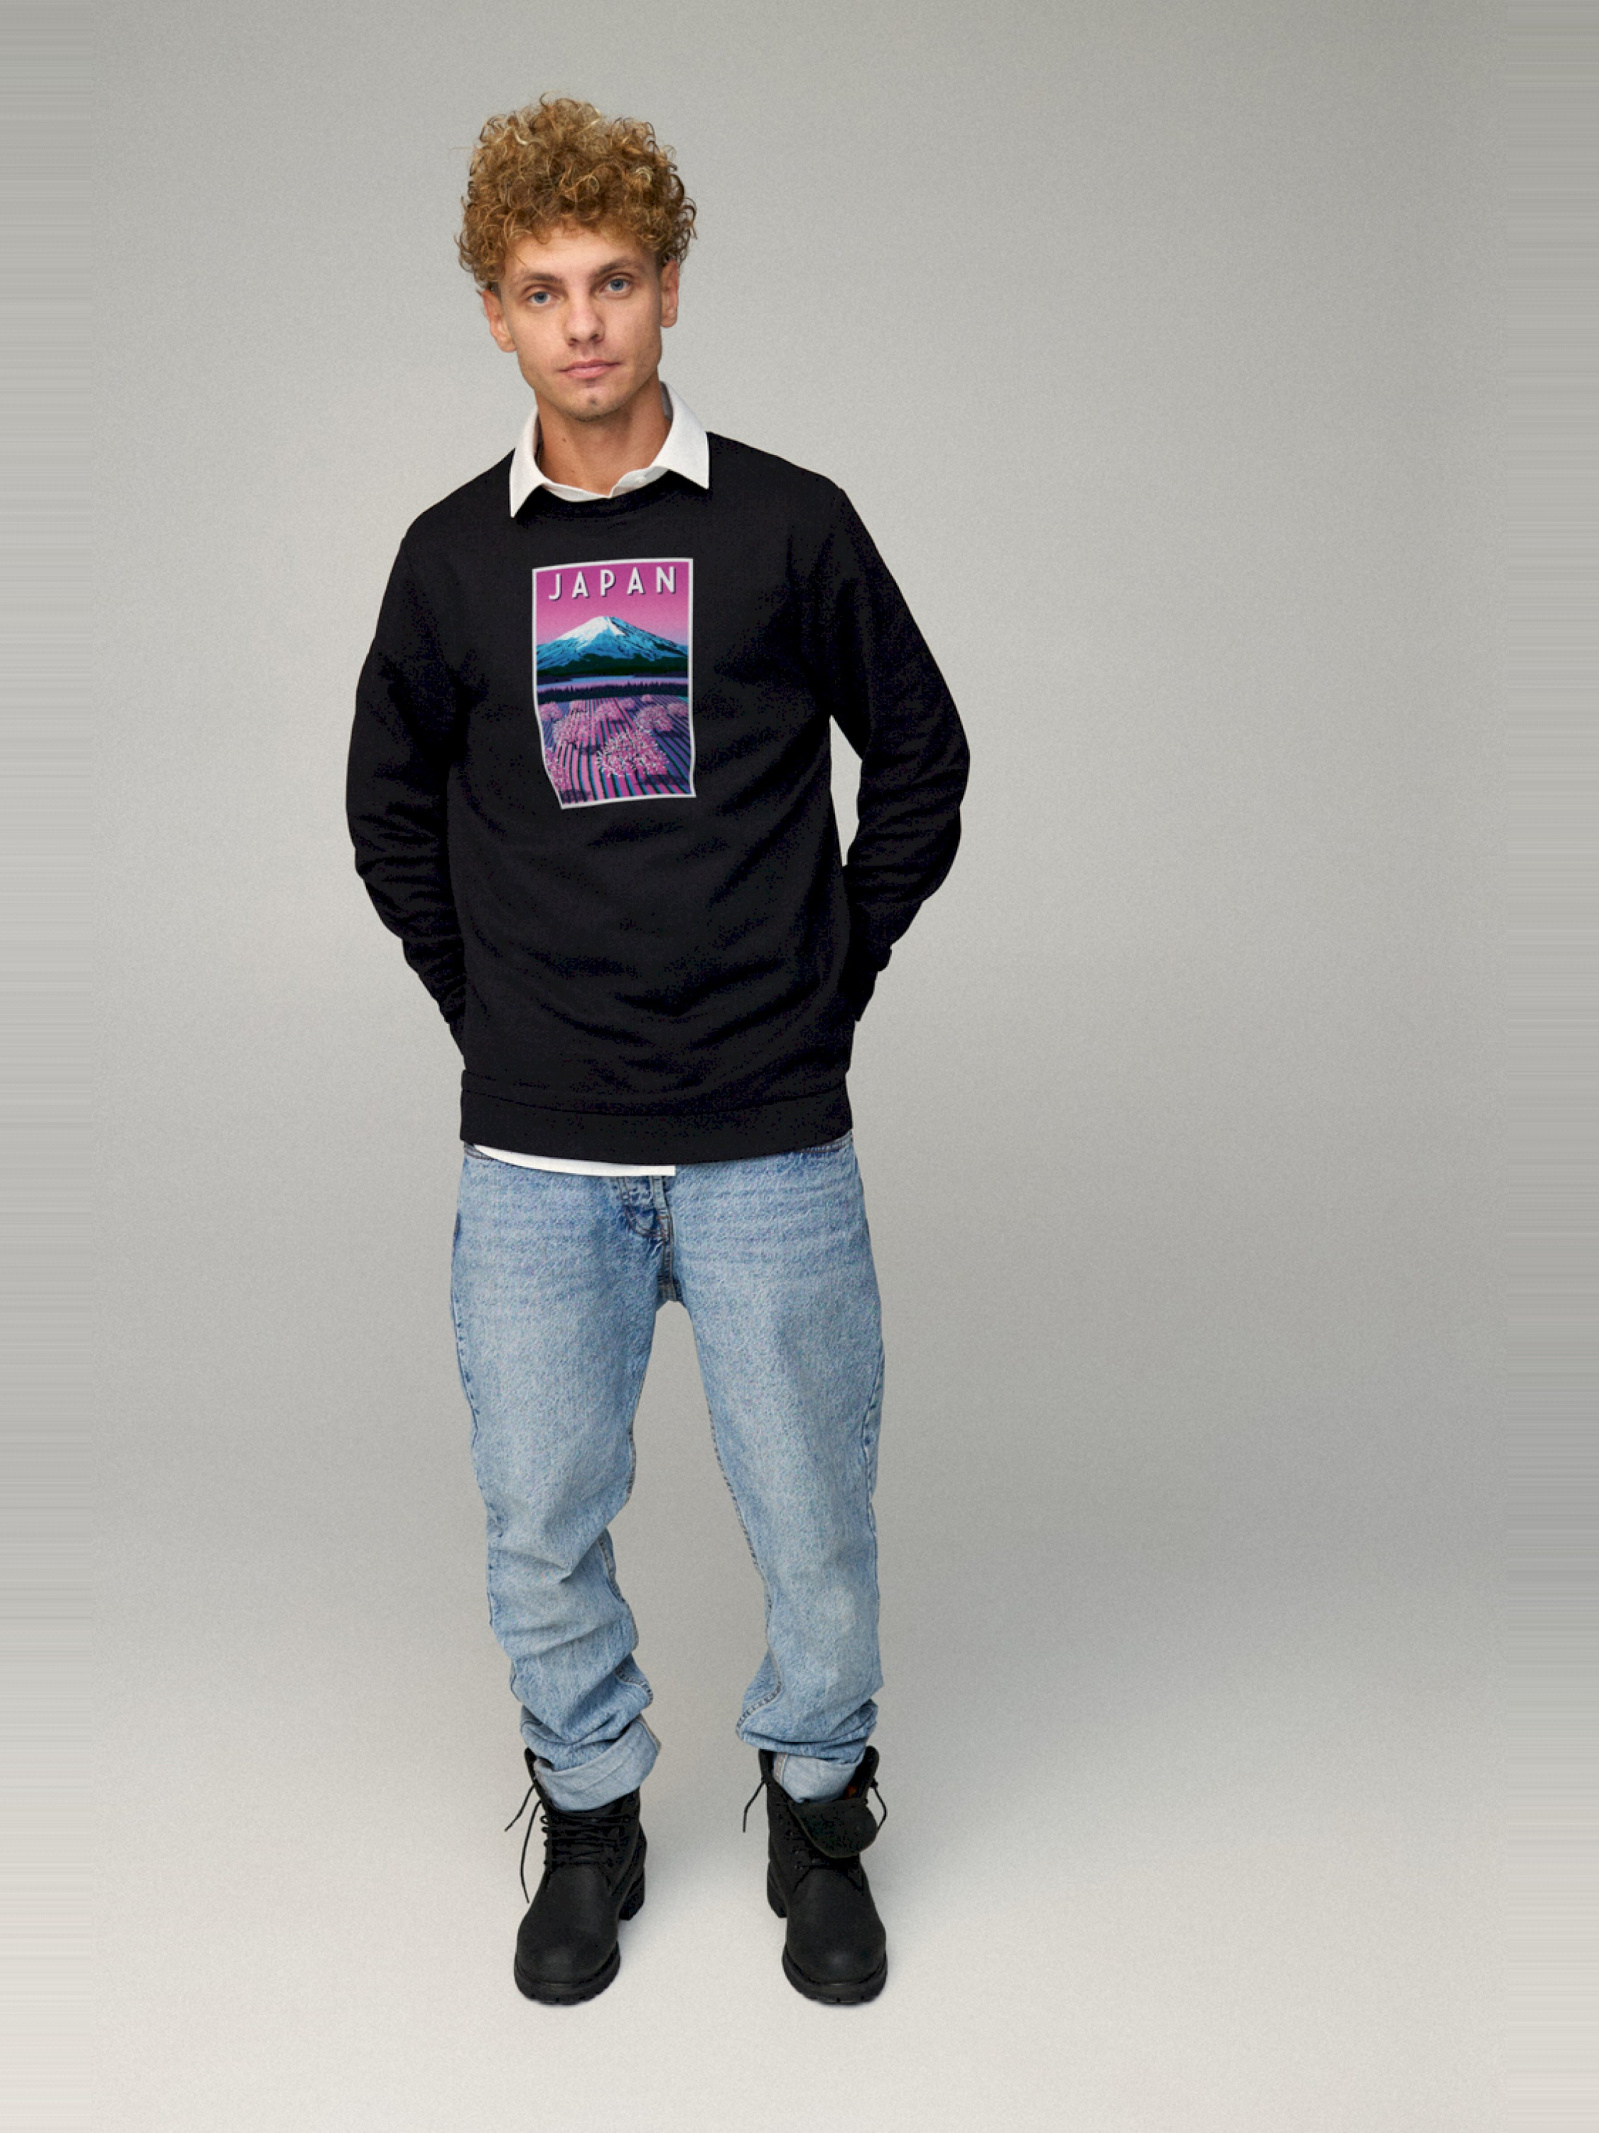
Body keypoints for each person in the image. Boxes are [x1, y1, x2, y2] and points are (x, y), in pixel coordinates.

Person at [346, 95, 968, 2007]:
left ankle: (820, 1815)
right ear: (495, 313)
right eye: (543, 290)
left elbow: (922, 759)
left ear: (671, 289)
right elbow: (386, 813)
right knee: (540, 1520)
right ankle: (593, 1815)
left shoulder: (790, 524)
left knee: (816, 1519)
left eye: (614, 281)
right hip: (541, 1153)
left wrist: (828, 976)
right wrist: (493, 1013)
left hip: (771, 1135)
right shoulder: (451, 560)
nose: (585, 322)